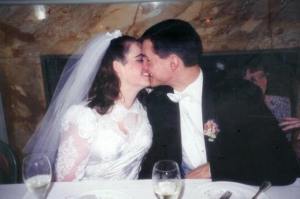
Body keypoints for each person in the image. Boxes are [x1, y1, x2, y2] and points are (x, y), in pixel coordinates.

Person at [139, 19, 299, 185]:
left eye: (146, 60)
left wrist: (214, 169)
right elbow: (158, 158)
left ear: (173, 63)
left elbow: (285, 166)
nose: (142, 68)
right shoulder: (158, 101)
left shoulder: (237, 94)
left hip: (233, 187)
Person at [23, 31, 152, 181]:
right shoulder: (83, 116)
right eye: (140, 59)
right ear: (117, 66)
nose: (147, 65)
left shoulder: (142, 109)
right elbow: (66, 182)